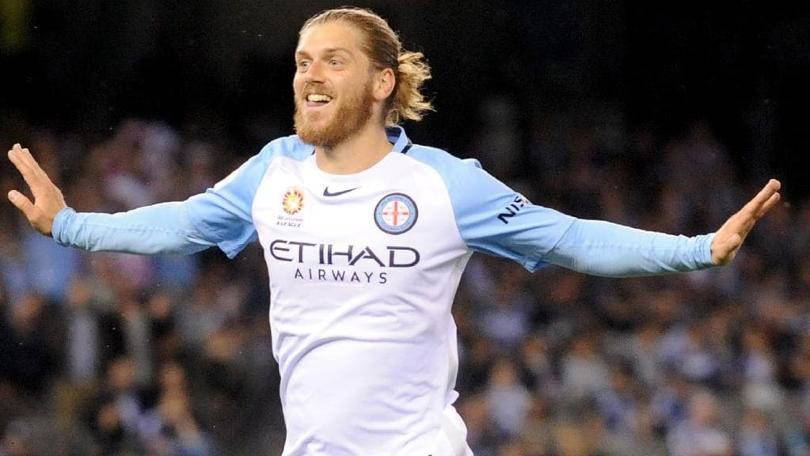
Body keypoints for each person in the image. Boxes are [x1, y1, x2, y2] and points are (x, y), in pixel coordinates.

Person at [6, 7, 781, 456]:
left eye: (332, 61)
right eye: (302, 60)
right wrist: (71, 226)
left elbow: (570, 239)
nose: (309, 75)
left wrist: (696, 251)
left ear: (382, 82)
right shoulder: (273, 170)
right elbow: (181, 224)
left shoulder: (445, 184)